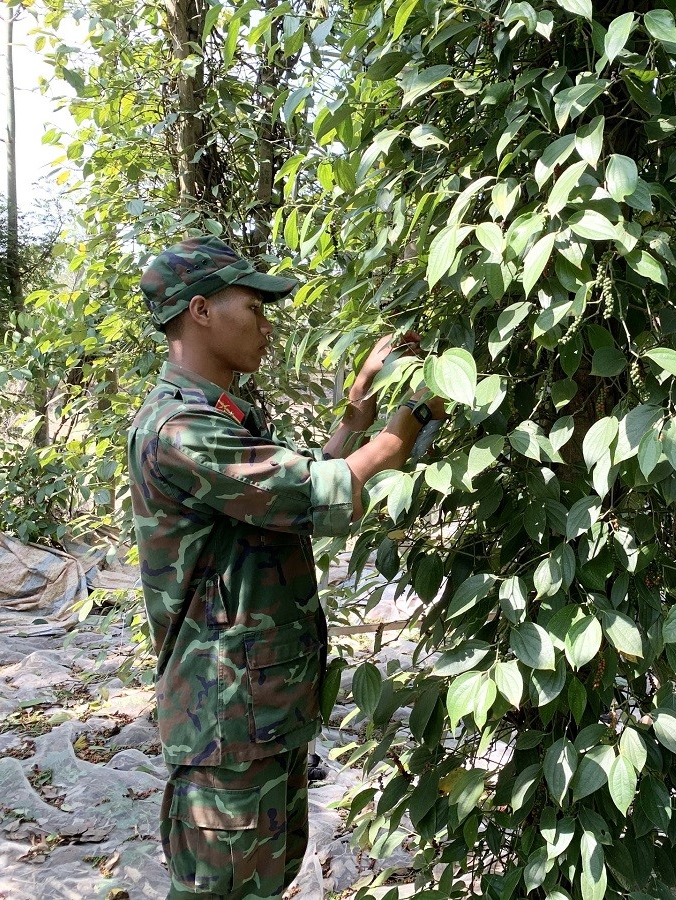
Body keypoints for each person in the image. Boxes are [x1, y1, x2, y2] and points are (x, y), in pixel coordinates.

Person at [127, 236, 445, 899]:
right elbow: (333, 490)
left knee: (263, 884)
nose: (267, 323)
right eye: (254, 305)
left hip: (259, 716)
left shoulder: (222, 416)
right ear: (200, 311)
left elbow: (284, 496)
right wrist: (415, 413)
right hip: (226, 729)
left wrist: (357, 415)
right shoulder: (182, 430)